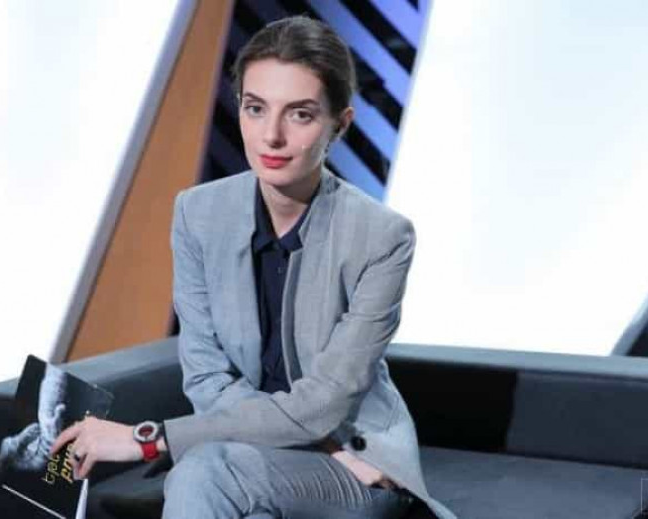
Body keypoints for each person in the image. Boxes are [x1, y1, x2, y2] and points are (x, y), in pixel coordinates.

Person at [51, 15, 455, 519]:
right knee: (227, 488)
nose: (271, 136)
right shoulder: (198, 214)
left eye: (300, 114)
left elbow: (324, 403)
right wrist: (312, 443)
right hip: (279, 453)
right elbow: (206, 377)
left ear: (340, 124)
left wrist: (147, 440)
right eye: (255, 108)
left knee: (204, 473)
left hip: (358, 464)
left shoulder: (382, 236)